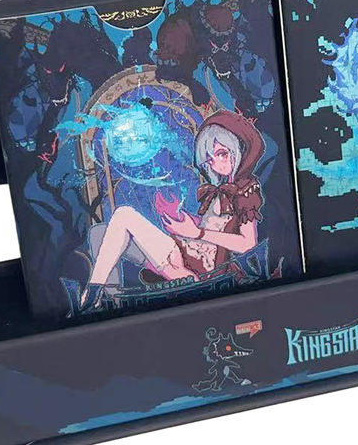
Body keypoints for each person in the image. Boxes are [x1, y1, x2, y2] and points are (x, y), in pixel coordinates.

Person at [80, 110, 265, 309]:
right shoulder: (219, 190)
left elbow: (247, 244)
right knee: (99, 232)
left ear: (237, 149)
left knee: (123, 215)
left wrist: (197, 232)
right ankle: (108, 298)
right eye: (210, 159)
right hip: (182, 252)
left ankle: (94, 293)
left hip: (198, 269)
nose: (216, 164)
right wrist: (182, 221)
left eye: (222, 154)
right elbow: (210, 225)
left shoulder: (246, 192)